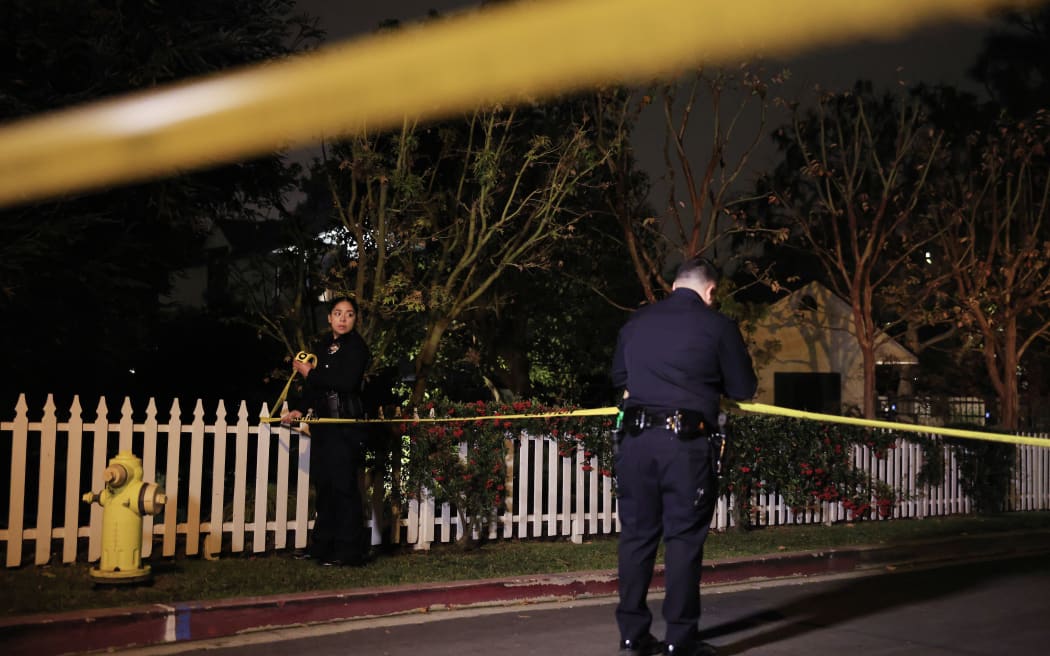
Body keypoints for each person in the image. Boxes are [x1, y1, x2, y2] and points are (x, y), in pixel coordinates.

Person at [610, 257, 757, 656]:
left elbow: (620, 379)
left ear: (675, 284)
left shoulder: (636, 323)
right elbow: (744, 388)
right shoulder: (718, 327)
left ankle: (632, 636)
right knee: (683, 540)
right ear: (711, 291)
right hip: (685, 444)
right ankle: (680, 639)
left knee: (636, 537)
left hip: (635, 443)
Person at [281, 296, 372, 567]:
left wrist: (310, 373)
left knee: (344, 488)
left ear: (355, 319)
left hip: (345, 426)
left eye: (349, 314)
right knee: (325, 488)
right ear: (329, 318)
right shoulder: (323, 347)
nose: (343, 319)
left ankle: (349, 552)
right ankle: (321, 547)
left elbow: (345, 382)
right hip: (323, 427)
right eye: (337, 313)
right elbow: (316, 388)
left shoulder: (357, 348)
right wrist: (300, 408)